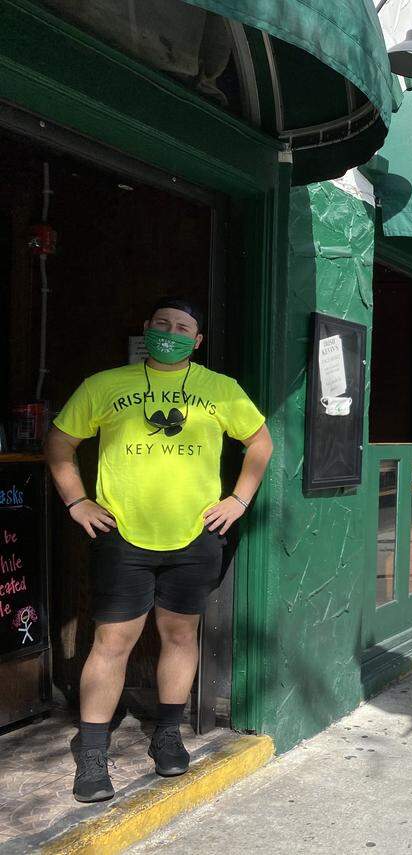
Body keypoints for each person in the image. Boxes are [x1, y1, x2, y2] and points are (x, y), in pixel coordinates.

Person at [46, 297, 273, 803]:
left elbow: (260, 443)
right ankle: (92, 754)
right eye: (163, 324)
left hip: (194, 537)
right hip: (123, 537)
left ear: (197, 341)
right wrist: (77, 501)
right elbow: (60, 441)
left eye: (183, 328)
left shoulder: (221, 389)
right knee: (112, 642)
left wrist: (238, 500)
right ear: (146, 329)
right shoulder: (105, 385)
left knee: (179, 635)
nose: (171, 332)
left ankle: (168, 734)